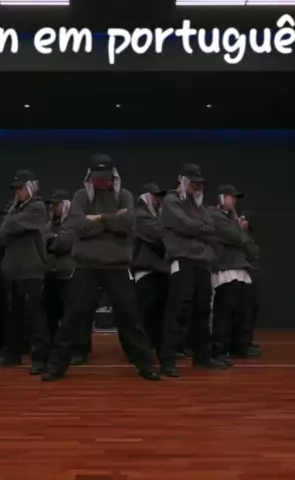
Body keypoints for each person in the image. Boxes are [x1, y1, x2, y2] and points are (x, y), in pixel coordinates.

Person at [43, 154, 160, 382]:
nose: (101, 181)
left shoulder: (124, 195)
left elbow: (128, 223)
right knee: (72, 317)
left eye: (105, 177)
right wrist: (112, 219)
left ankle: (145, 364)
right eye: (97, 177)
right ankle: (56, 365)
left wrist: (96, 219)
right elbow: (79, 226)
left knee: (130, 317)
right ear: (91, 177)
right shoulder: (80, 196)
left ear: (112, 176)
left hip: (117, 266)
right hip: (86, 265)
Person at [159, 164, 228, 377]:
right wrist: (201, 229)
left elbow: (211, 228)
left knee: (203, 308)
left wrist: (199, 228)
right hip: (181, 259)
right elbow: (185, 225)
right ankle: (167, 359)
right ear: (183, 180)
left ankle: (202, 357)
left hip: (201, 261)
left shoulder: (199, 205)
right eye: (193, 182)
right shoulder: (171, 200)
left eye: (199, 183)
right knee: (178, 309)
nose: (197, 186)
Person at [0, 170, 51, 374]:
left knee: (34, 316)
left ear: (30, 187)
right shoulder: (16, 209)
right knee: (13, 316)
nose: (17, 192)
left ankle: (41, 358)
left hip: (30, 269)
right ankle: (12, 354)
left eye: (20, 188)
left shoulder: (37, 207)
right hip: (12, 269)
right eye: (16, 189)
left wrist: (10, 221)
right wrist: (10, 221)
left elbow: (11, 226)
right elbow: (0, 236)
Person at [209, 185, 258, 364]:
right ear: (222, 197)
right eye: (231, 196)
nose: (234, 200)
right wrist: (240, 231)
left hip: (240, 268)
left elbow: (252, 248)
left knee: (242, 311)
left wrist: (240, 234)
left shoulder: (232, 219)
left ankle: (238, 346)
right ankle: (219, 351)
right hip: (225, 269)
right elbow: (234, 237)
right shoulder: (213, 215)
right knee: (223, 312)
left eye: (235, 197)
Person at [131, 183, 169, 359]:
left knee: (160, 313)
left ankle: (158, 347)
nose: (158, 199)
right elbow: (158, 237)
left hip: (161, 270)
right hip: (146, 270)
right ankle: (142, 350)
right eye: (155, 196)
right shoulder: (141, 216)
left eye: (159, 196)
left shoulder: (158, 217)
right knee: (146, 313)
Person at [230, 210, 262, 359]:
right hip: (237, 274)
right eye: (240, 219)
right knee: (241, 311)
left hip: (250, 274)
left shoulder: (249, 238)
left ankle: (247, 341)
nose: (241, 222)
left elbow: (254, 252)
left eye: (244, 220)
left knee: (251, 310)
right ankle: (240, 345)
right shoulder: (234, 236)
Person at [43, 189, 74, 339]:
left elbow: (64, 244)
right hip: (50, 274)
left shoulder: (73, 223)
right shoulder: (49, 225)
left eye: (57, 204)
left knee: (70, 314)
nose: (54, 207)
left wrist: (51, 241)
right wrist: (53, 239)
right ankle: (52, 343)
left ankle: (70, 345)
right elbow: (42, 242)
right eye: (53, 205)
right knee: (50, 314)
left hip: (67, 275)